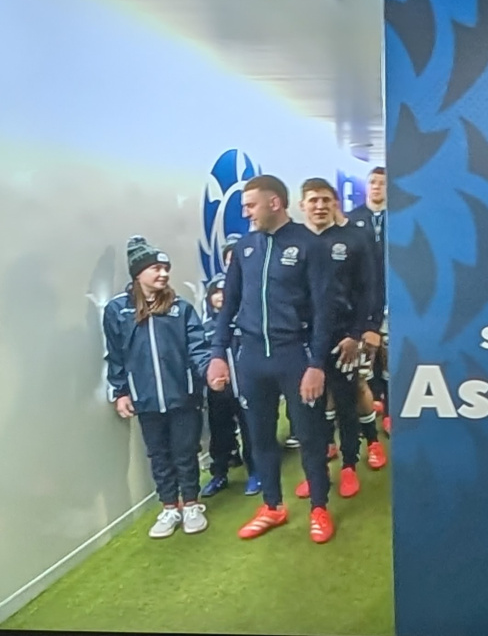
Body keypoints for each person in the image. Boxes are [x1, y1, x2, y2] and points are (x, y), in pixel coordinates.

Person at [207, 174, 337, 544]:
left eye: (251, 205)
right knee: (260, 436)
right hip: (252, 358)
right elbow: (229, 305)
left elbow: (324, 311)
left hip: (295, 355)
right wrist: (218, 354)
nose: (246, 212)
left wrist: (317, 365)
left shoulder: (310, 245)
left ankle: (319, 508)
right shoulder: (245, 247)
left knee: (310, 436)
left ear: (274, 203)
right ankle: (272, 506)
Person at [104, 237, 212, 538]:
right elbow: (115, 355)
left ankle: (191, 505)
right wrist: (120, 392)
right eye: (156, 268)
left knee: (185, 452)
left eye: (166, 269)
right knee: (159, 455)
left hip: (183, 396)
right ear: (138, 273)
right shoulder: (117, 310)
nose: (164, 274)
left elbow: (198, 347)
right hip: (146, 399)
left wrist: (207, 374)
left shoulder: (180, 308)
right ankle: (169, 507)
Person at [295, 178, 386, 502]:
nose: (320, 206)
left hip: (343, 339)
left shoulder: (353, 240)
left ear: (335, 204)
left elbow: (368, 290)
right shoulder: (292, 242)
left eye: (326, 200)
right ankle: (317, 471)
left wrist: (358, 332)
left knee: (347, 401)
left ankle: (349, 465)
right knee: (310, 410)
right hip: (301, 341)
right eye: (313, 200)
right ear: (301, 205)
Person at [199, 274, 260, 497]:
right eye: (215, 292)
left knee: (251, 431)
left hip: (245, 387)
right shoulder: (205, 327)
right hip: (218, 393)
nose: (220, 297)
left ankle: (256, 473)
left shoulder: (245, 321)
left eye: (225, 292)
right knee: (220, 434)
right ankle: (219, 474)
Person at [347, 166, 390, 433]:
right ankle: (371, 403)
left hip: (394, 297)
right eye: (372, 182)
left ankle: (390, 407)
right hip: (362, 298)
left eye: (382, 183)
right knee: (366, 356)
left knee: (390, 354)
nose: (376, 186)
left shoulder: (400, 217)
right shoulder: (352, 219)